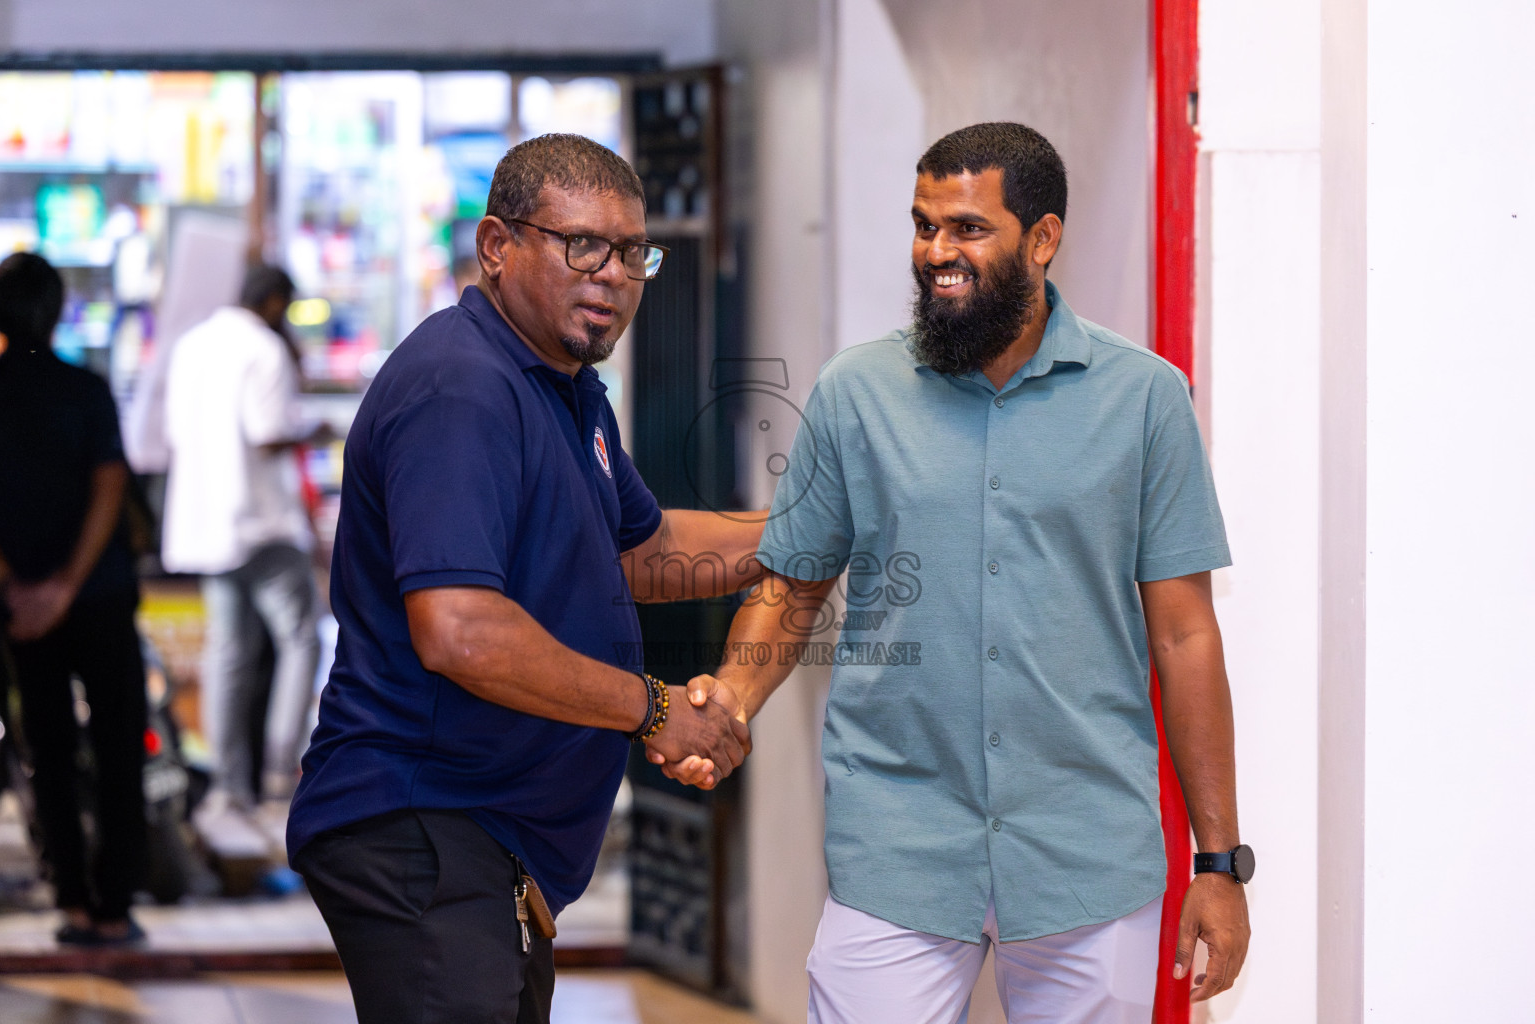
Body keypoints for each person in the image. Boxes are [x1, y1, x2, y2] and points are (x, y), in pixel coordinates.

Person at [659, 122, 1252, 1022]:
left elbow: (1184, 634)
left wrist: (1219, 862)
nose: (937, 251)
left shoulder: (1145, 399)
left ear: (1042, 239)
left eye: (968, 228)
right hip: (897, 846)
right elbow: (794, 583)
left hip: (1087, 852)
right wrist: (733, 699)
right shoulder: (856, 393)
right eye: (924, 224)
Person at [285, 133, 764, 1024]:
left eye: (632, 253)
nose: (612, 274)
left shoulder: (563, 386)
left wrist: (806, 529)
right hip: (424, 820)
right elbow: (460, 630)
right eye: (582, 245)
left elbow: (643, 552)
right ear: (497, 246)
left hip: (485, 838)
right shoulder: (463, 386)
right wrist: (655, 708)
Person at [0, 252, 148, 945]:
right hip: (101, 593)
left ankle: (73, 903)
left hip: (20, 608)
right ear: (58, 311)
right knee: (118, 744)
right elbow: (110, 486)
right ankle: (115, 905)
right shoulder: (85, 390)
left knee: (49, 750)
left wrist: (19, 586)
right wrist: (68, 586)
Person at [161, 265, 321, 815]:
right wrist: (314, 432)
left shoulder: (191, 344)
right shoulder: (264, 348)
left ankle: (229, 785)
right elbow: (267, 432)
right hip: (261, 521)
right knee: (300, 639)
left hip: (207, 523)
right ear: (275, 301)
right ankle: (280, 767)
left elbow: (174, 432)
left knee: (228, 653)